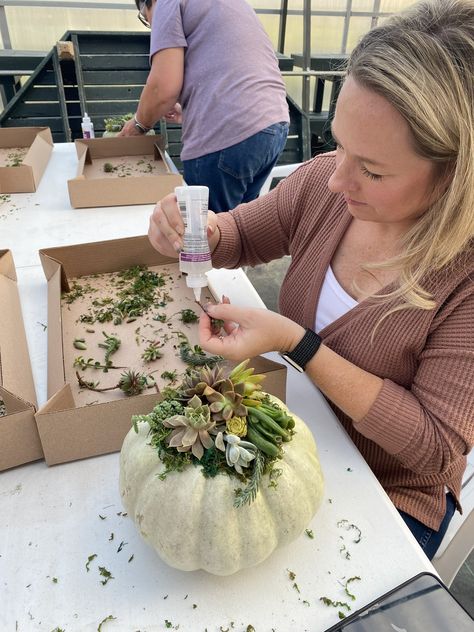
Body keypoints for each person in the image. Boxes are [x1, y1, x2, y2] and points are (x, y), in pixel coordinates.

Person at [147, 0, 474, 560]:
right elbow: (244, 235)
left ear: (456, 175)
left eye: (371, 169)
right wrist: (195, 228)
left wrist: (296, 343)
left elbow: (433, 447)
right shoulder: (327, 182)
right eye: (337, 142)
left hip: (385, 493)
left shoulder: (463, 281)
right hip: (290, 435)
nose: (337, 177)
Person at [119, 0, 289, 212]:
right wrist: (193, 110)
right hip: (272, 125)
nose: (151, 25)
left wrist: (138, 125)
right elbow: (231, 62)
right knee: (241, 228)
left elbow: (162, 89)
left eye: (145, 18)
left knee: (207, 236)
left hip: (227, 136)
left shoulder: (164, 2)